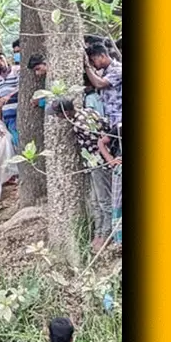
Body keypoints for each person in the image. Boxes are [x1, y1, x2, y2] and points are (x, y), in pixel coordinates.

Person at [51, 99, 112, 254]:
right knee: (95, 200)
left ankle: (106, 234)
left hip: (98, 163)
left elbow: (99, 140)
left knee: (103, 199)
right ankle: (98, 232)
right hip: (93, 164)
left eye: (58, 114)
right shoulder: (88, 111)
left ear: (65, 112)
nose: (58, 118)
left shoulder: (80, 125)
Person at [84, 43, 122, 129]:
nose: (92, 64)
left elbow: (99, 84)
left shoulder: (118, 69)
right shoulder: (105, 71)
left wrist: (86, 67)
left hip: (118, 117)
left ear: (102, 56)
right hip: (110, 118)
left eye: (93, 60)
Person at [98, 123, 122, 245]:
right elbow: (101, 142)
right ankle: (120, 239)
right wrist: (111, 160)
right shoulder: (119, 128)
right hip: (120, 170)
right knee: (118, 203)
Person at [0, 50, 20, 146]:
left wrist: (9, 96)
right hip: (7, 115)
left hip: (19, 111)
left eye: (0, 58)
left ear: (5, 58)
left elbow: (23, 86)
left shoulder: (16, 70)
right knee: (13, 141)